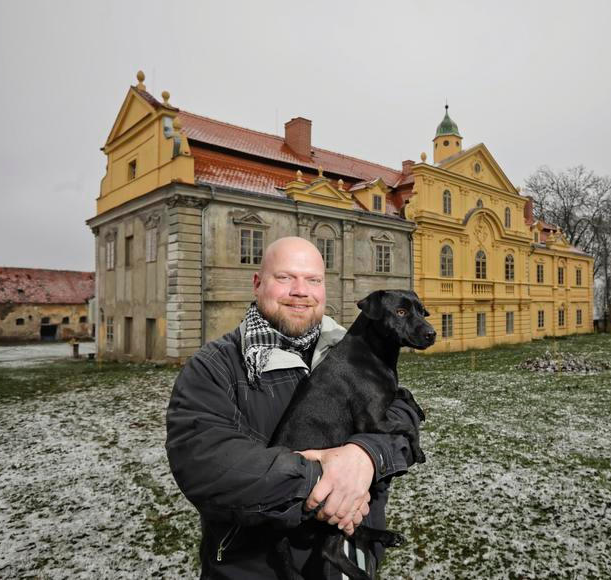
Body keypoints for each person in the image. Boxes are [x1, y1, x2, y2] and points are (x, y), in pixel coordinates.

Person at [166, 236, 422, 579]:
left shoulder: (353, 350)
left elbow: (400, 414)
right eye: (285, 277)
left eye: (313, 280)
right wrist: (327, 479)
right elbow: (207, 467)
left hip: (352, 561)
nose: (301, 290)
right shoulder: (215, 367)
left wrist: (366, 455)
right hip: (262, 568)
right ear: (258, 284)